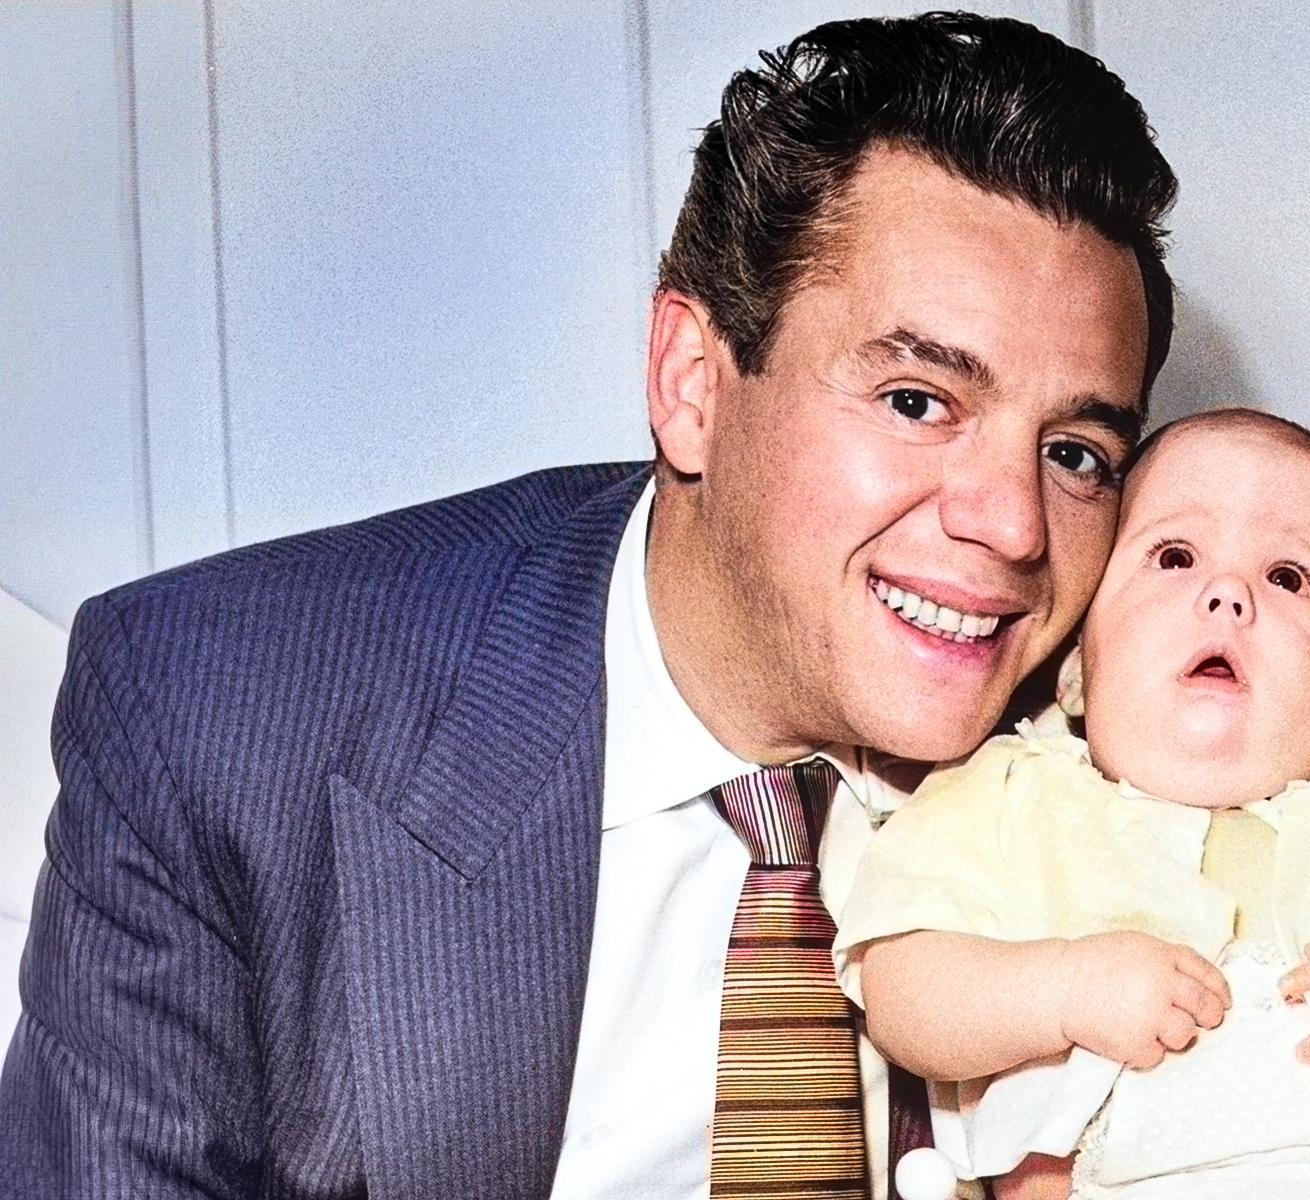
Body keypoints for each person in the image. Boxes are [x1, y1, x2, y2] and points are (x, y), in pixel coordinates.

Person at [0, 14, 1174, 1200]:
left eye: (1076, 453)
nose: (1015, 528)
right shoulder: (218, 715)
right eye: (918, 401)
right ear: (692, 384)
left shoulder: (1152, 728)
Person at [834, 410, 1310, 1199]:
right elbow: (903, 987)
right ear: (1077, 674)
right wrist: (1062, 989)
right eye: (1175, 556)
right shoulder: (1006, 795)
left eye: (1289, 577)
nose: (1228, 594)